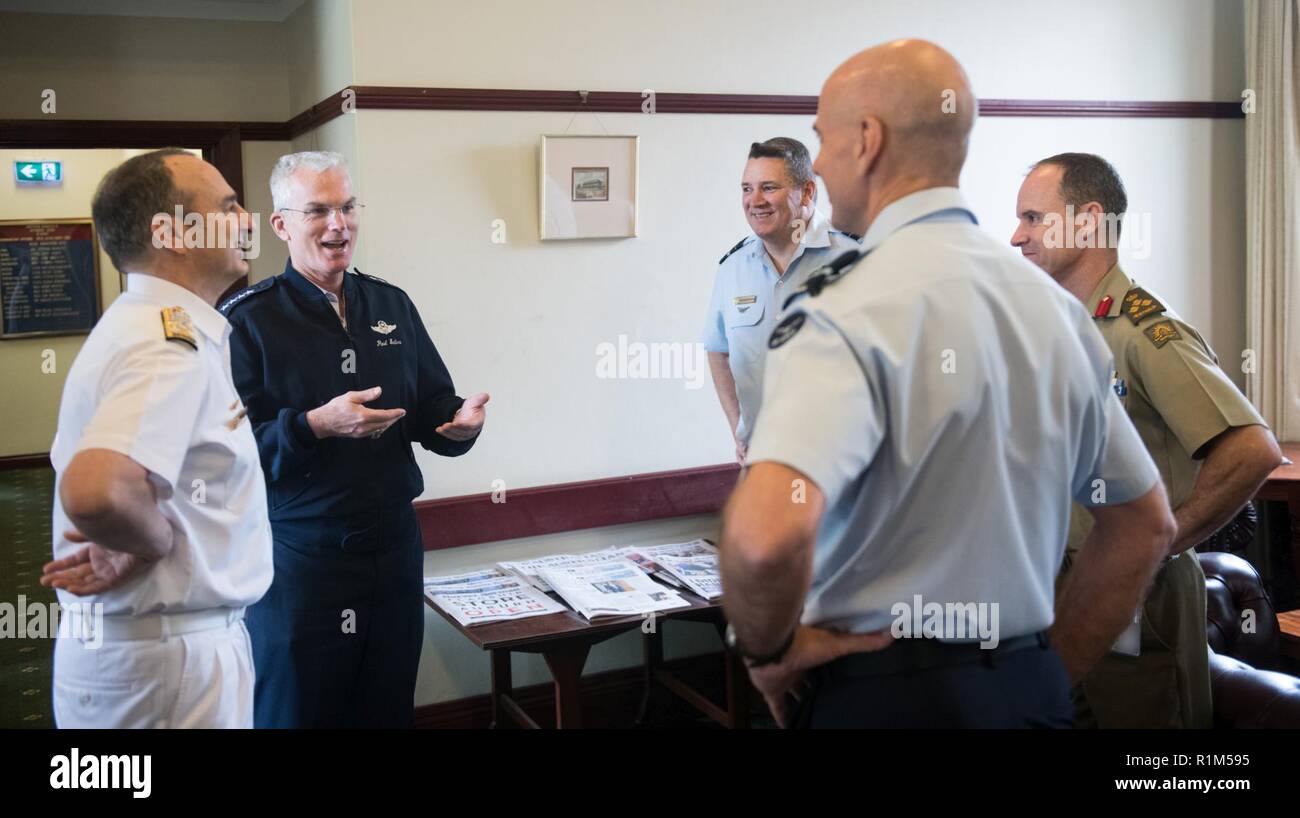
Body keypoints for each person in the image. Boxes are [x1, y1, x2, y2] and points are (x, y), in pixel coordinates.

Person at [717, 39, 1176, 728]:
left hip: (885, 693)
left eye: (823, 139)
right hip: (1027, 691)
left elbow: (761, 540)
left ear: (867, 140)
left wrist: (767, 652)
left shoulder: (841, 309)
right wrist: (1047, 668)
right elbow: (1144, 525)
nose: (823, 165)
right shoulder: (1055, 311)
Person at [1011, 152, 1284, 727]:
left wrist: (1158, 541)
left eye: (1033, 219)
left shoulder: (1143, 329)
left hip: (1138, 595)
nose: (1017, 236)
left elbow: (1252, 449)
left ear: (1087, 221)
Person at [221, 151, 488, 727]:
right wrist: (313, 426)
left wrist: (458, 423)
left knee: (386, 707)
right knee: (297, 711)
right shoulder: (246, 320)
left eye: (346, 207)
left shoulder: (391, 303)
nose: (338, 225)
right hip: (301, 558)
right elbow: (225, 455)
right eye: (318, 210)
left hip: (393, 549)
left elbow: (429, 409)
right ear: (281, 225)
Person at [41, 148, 272, 728]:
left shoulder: (154, 325)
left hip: (153, 652)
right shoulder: (165, 341)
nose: (248, 220)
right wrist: (147, 541)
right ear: (172, 233)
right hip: (170, 661)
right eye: (227, 206)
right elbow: (97, 490)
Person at [703, 138, 860, 462]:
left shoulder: (857, 260)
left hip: (841, 467)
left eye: (768, 187)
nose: (754, 200)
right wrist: (739, 430)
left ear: (806, 192)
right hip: (763, 464)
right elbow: (718, 349)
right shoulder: (732, 268)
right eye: (747, 189)